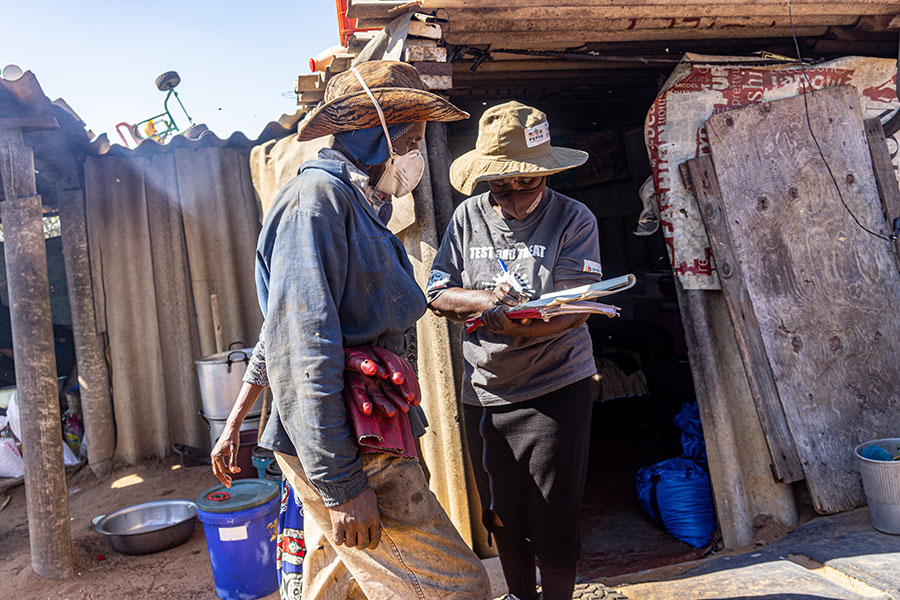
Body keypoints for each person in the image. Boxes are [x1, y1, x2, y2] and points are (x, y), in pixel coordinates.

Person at [253, 60, 491, 600]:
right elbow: (300, 350)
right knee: (458, 588)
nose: (412, 155)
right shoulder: (315, 203)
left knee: (351, 584)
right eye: (407, 139)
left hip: (375, 428)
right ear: (373, 134)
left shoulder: (360, 204)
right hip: (354, 443)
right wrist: (341, 485)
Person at [427, 101, 603, 600]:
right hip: (484, 390)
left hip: (556, 384)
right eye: (500, 184)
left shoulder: (575, 218)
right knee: (501, 511)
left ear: (546, 173)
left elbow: (577, 307)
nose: (514, 194)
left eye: (526, 182)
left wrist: (511, 322)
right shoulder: (466, 218)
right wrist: (484, 302)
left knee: (553, 509)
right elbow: (438, 290)